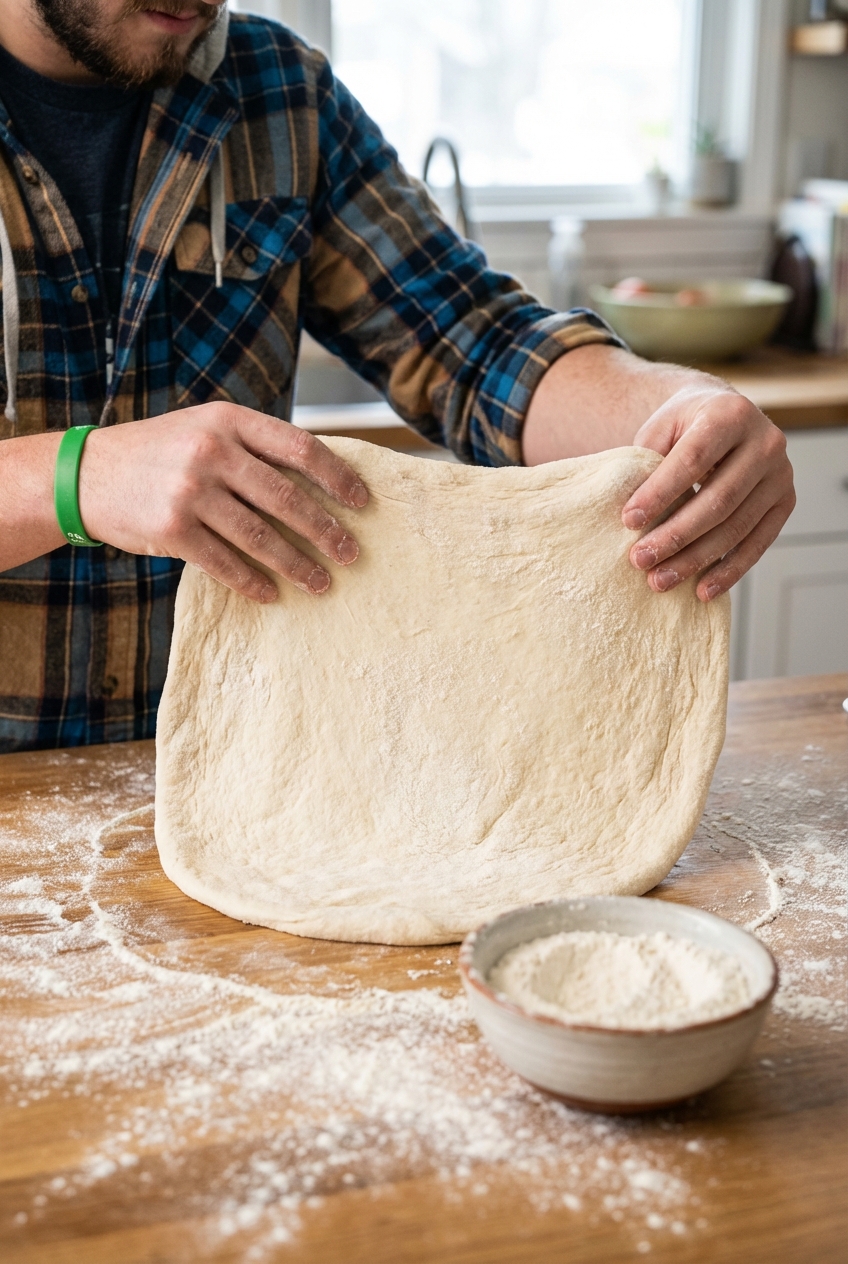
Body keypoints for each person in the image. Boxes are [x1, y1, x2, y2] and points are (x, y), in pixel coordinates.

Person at [0, 0, 795, 754]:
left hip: (236, 756)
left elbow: (477, 345)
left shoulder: (278, 91)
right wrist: (75, 479)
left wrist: (680, 409)